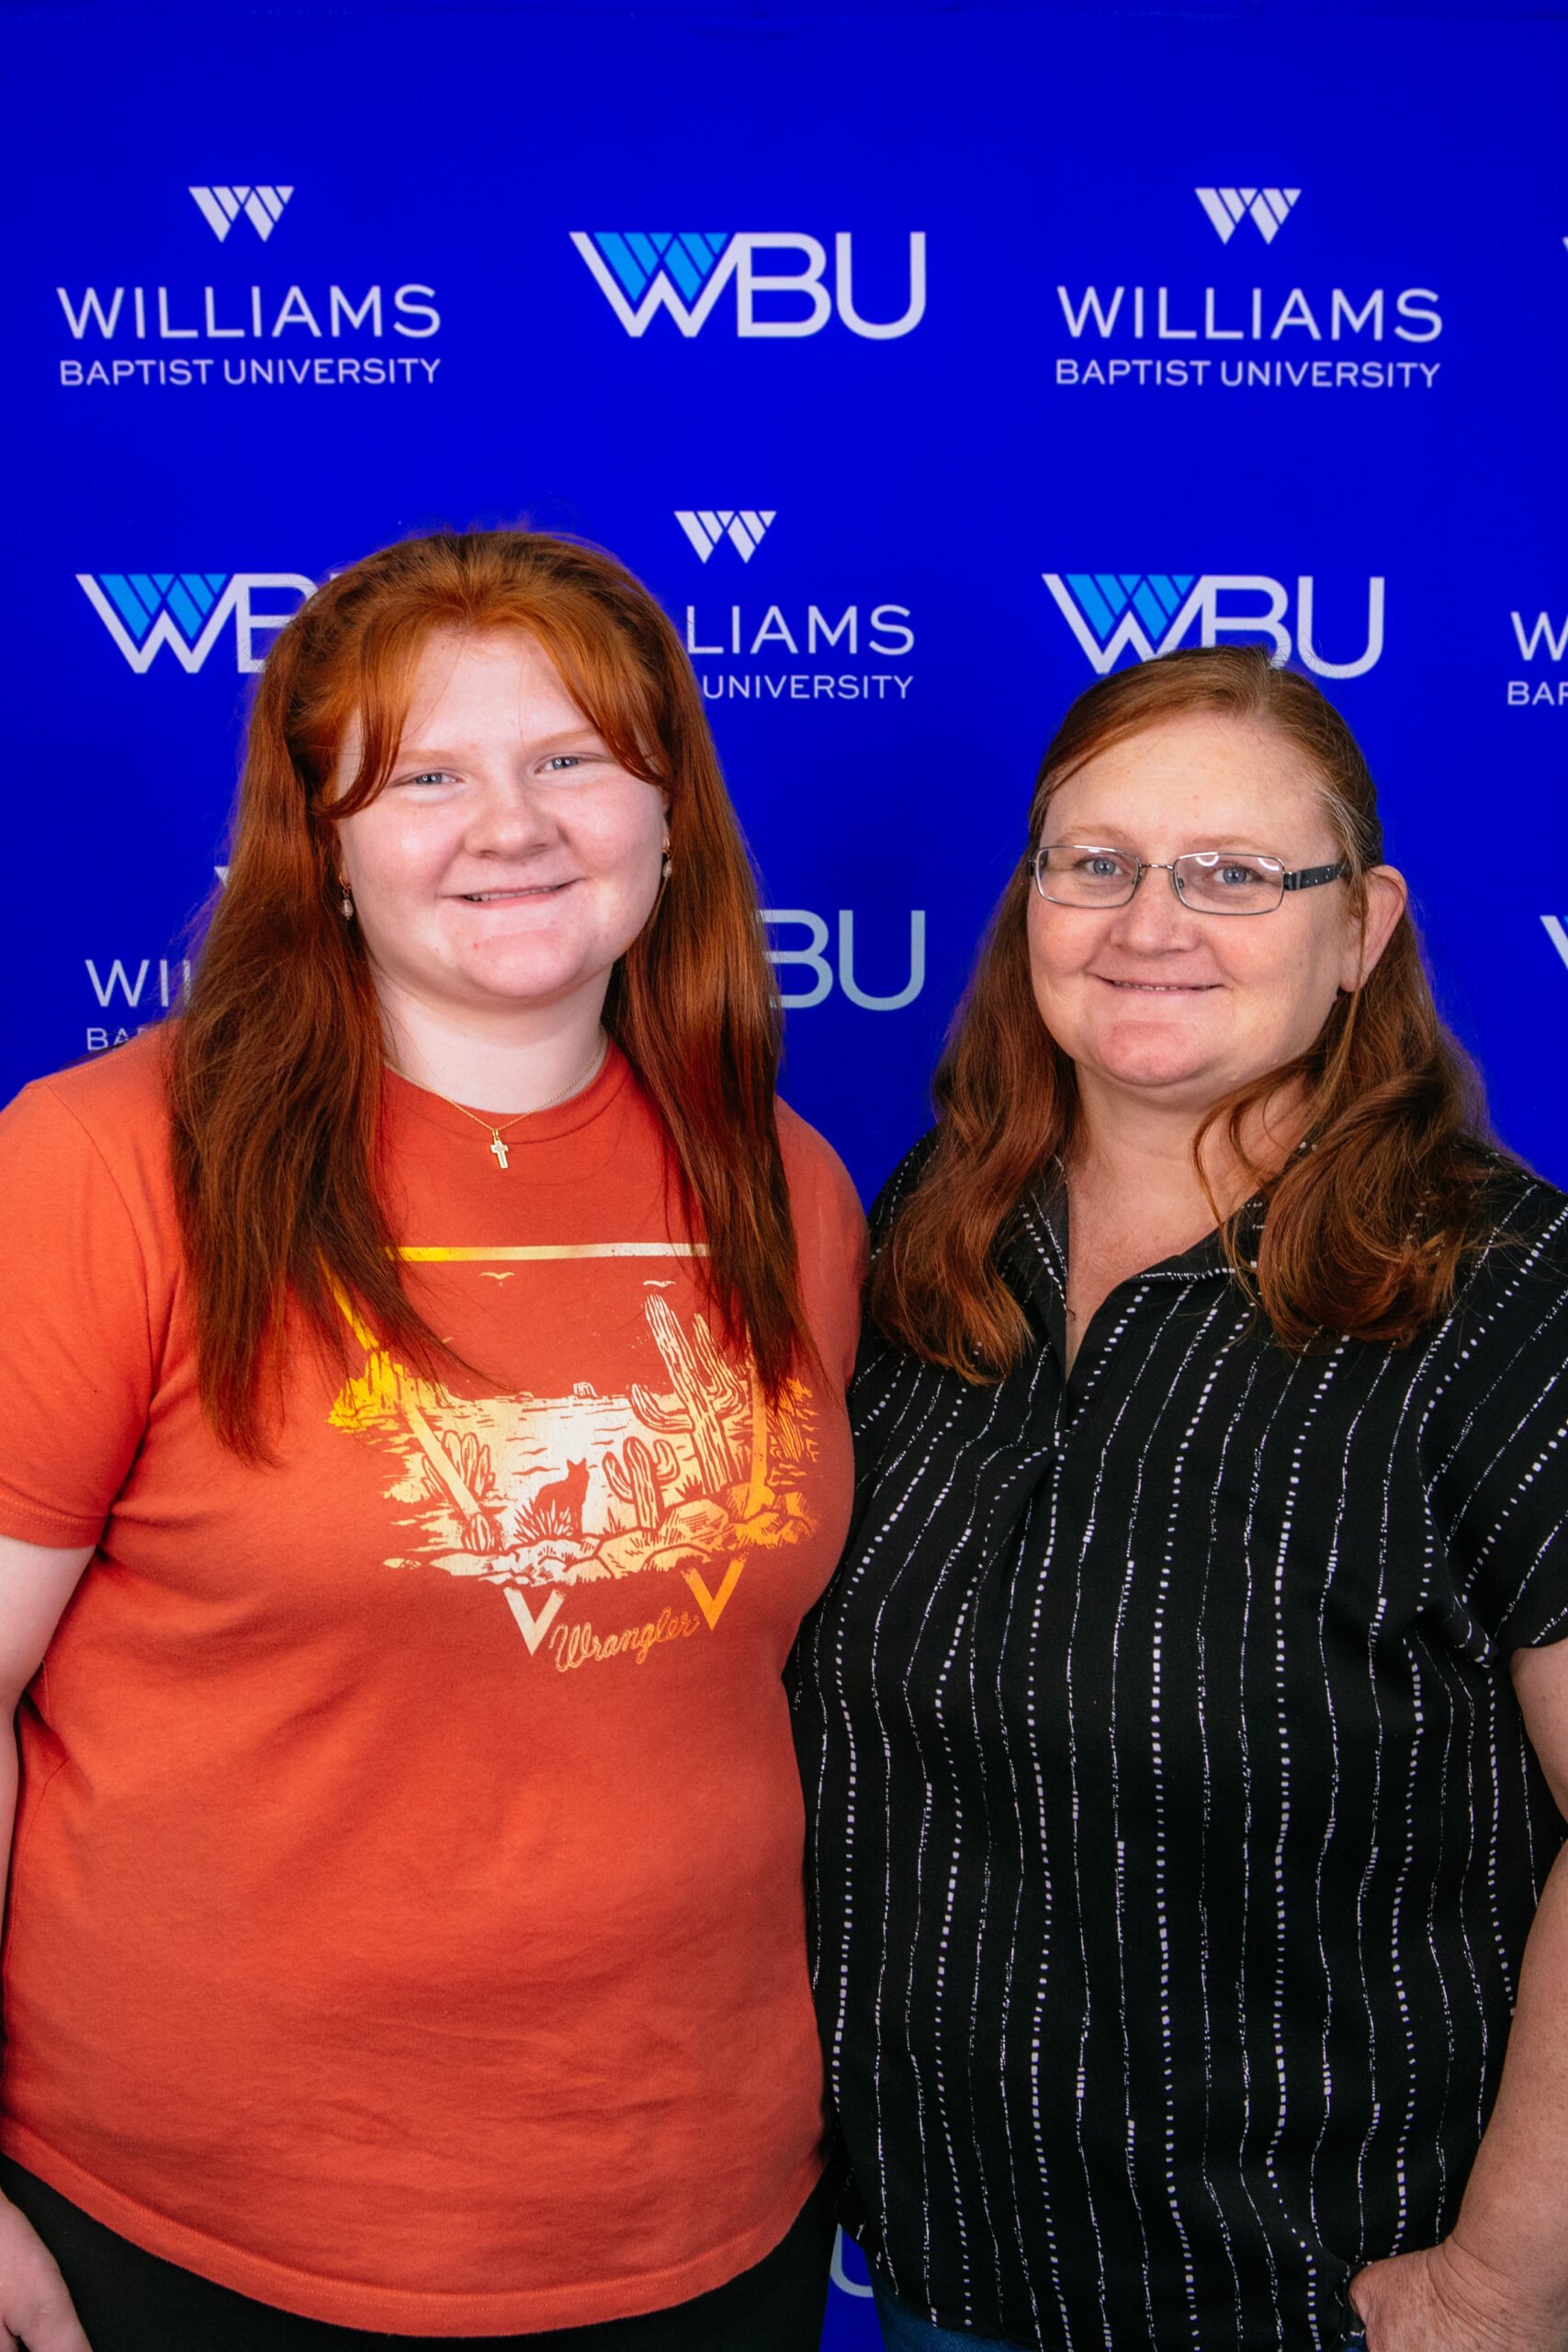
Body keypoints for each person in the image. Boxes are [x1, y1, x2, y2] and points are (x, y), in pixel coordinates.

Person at [0, 527, 866, 2352]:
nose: (511, 826)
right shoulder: (102, 1165)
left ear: (668, 816)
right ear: (319, 842)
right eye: (424, 778)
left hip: (702, 2211)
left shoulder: (784, 1186)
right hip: (201, 2231)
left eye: (570, 760)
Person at [792, 644, 1568, 2352]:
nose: (1151, 923)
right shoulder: (937, 1228)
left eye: (1234, 875)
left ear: (1360, 929)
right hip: (933, 2269)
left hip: (1318, 2296)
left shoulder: (1512, 1298)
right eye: (1098, 863)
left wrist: (1505, 2282)